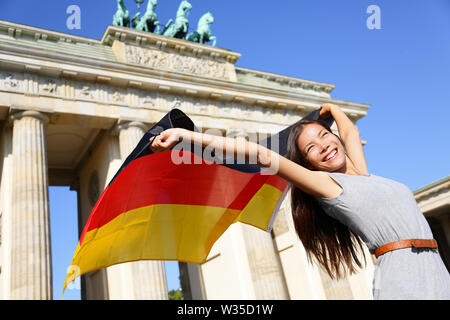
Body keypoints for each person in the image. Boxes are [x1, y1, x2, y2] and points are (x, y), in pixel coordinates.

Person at [150, 103, 450, 300]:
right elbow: (261, 155)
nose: (324, 145)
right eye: (311, 147)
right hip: (403, 275)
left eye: (324, 136)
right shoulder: (328, 185)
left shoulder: (362, 174)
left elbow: (350, 131)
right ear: (308, 163)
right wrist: (186, 136)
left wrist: (331, 109)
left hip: (434, 265)